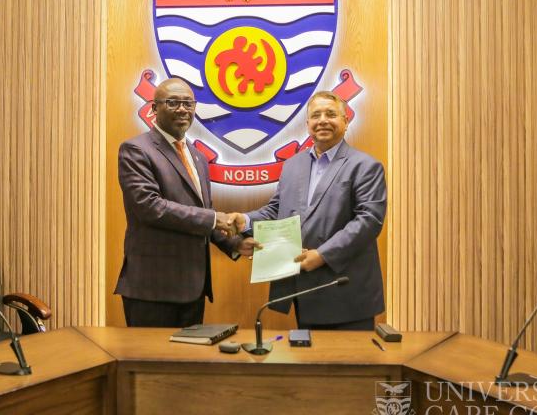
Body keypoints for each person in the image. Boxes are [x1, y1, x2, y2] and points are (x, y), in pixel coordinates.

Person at [236, 91, 387, 330]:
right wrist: (243, 220)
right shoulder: (293, 165)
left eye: (331, 114)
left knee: (350, 367)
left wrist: (323, 255)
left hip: (346, 291)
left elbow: (368, 222)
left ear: (346, 121)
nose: (323, 120)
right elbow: (277, 210)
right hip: (304, 289)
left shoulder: (366, 166)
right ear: (307, 125)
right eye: (316, 115)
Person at [115, 77, 253, 327]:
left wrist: (235, 244)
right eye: (173, 102)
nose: (182, 109)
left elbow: (202, 212)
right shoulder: (136, 150)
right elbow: (150, 207)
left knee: (186, 364)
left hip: (193, 288)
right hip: (153, 290)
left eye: (188, 103)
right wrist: (214, 219)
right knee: (153, 364)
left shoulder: (198, 157)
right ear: (154, 109)